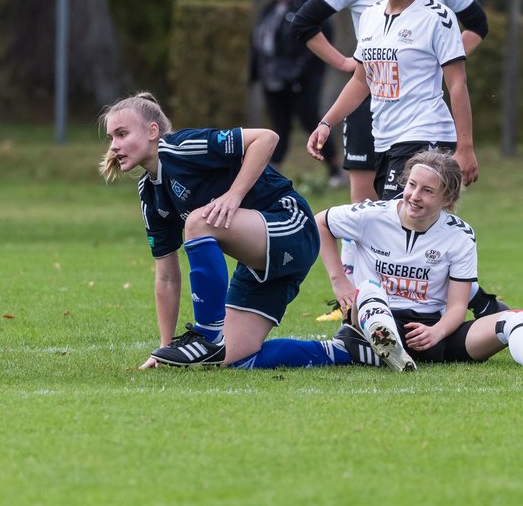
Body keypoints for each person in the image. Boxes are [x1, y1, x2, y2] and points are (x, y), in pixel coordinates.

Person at [292, 0, 505, 320]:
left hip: (427, 139)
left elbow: (458, 85)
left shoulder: (437, 17)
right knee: (414, 234)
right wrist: (326, 123)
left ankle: (371, 314)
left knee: (391, 228)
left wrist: (465, 147)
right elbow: (365, 78)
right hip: (387, 140)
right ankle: (485, 308)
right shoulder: (370, 16)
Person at [100, 92, 380, 370]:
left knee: (199, 222)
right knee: (234, 359)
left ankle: (208, 333)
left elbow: (267, 138)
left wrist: (234, 195)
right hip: (259, 260)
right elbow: (166, 277)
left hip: (291, 225)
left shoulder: (182, 148)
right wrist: (165, 348)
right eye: (111, 137)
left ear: (152, 131)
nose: (114, 145)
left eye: (122, 134)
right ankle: (348, 350)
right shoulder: (149, 192)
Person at [318, 150, 523, 371]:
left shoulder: (460, 235)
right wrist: (339, 281)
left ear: (448, 198)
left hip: (433, 331)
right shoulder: (372, 215)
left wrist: (436, 333)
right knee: (368, 288)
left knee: (517, 318)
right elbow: (319, 223)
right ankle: (389, 348)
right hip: (373, 320)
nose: (414, 196)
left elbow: (456, 306)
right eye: (412, 185)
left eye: (427, 191)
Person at [248, 0, 342, 186]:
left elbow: (323, 34)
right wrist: (255, 73)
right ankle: (269, 172)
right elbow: (259, 42)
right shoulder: (269, 10)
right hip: (273, 79)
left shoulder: (306, 5)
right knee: (280, 126)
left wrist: (301, 67)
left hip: (302, 79)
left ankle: (335, 169)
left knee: (311, 120)